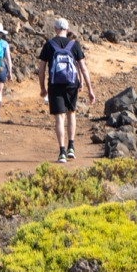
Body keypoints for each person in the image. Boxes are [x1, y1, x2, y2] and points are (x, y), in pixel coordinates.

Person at [38, 17, 94, 163]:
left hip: (55, 84)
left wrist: (43, 88)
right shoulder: (74, 45)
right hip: (71, 84)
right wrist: (89, 89)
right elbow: (83, 68)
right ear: (67, 30)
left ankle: (61, 151)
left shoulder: (49, 45)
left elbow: (42, 69)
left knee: (59, 117)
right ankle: (71, 147)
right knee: (71, 113)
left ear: (56, 29)